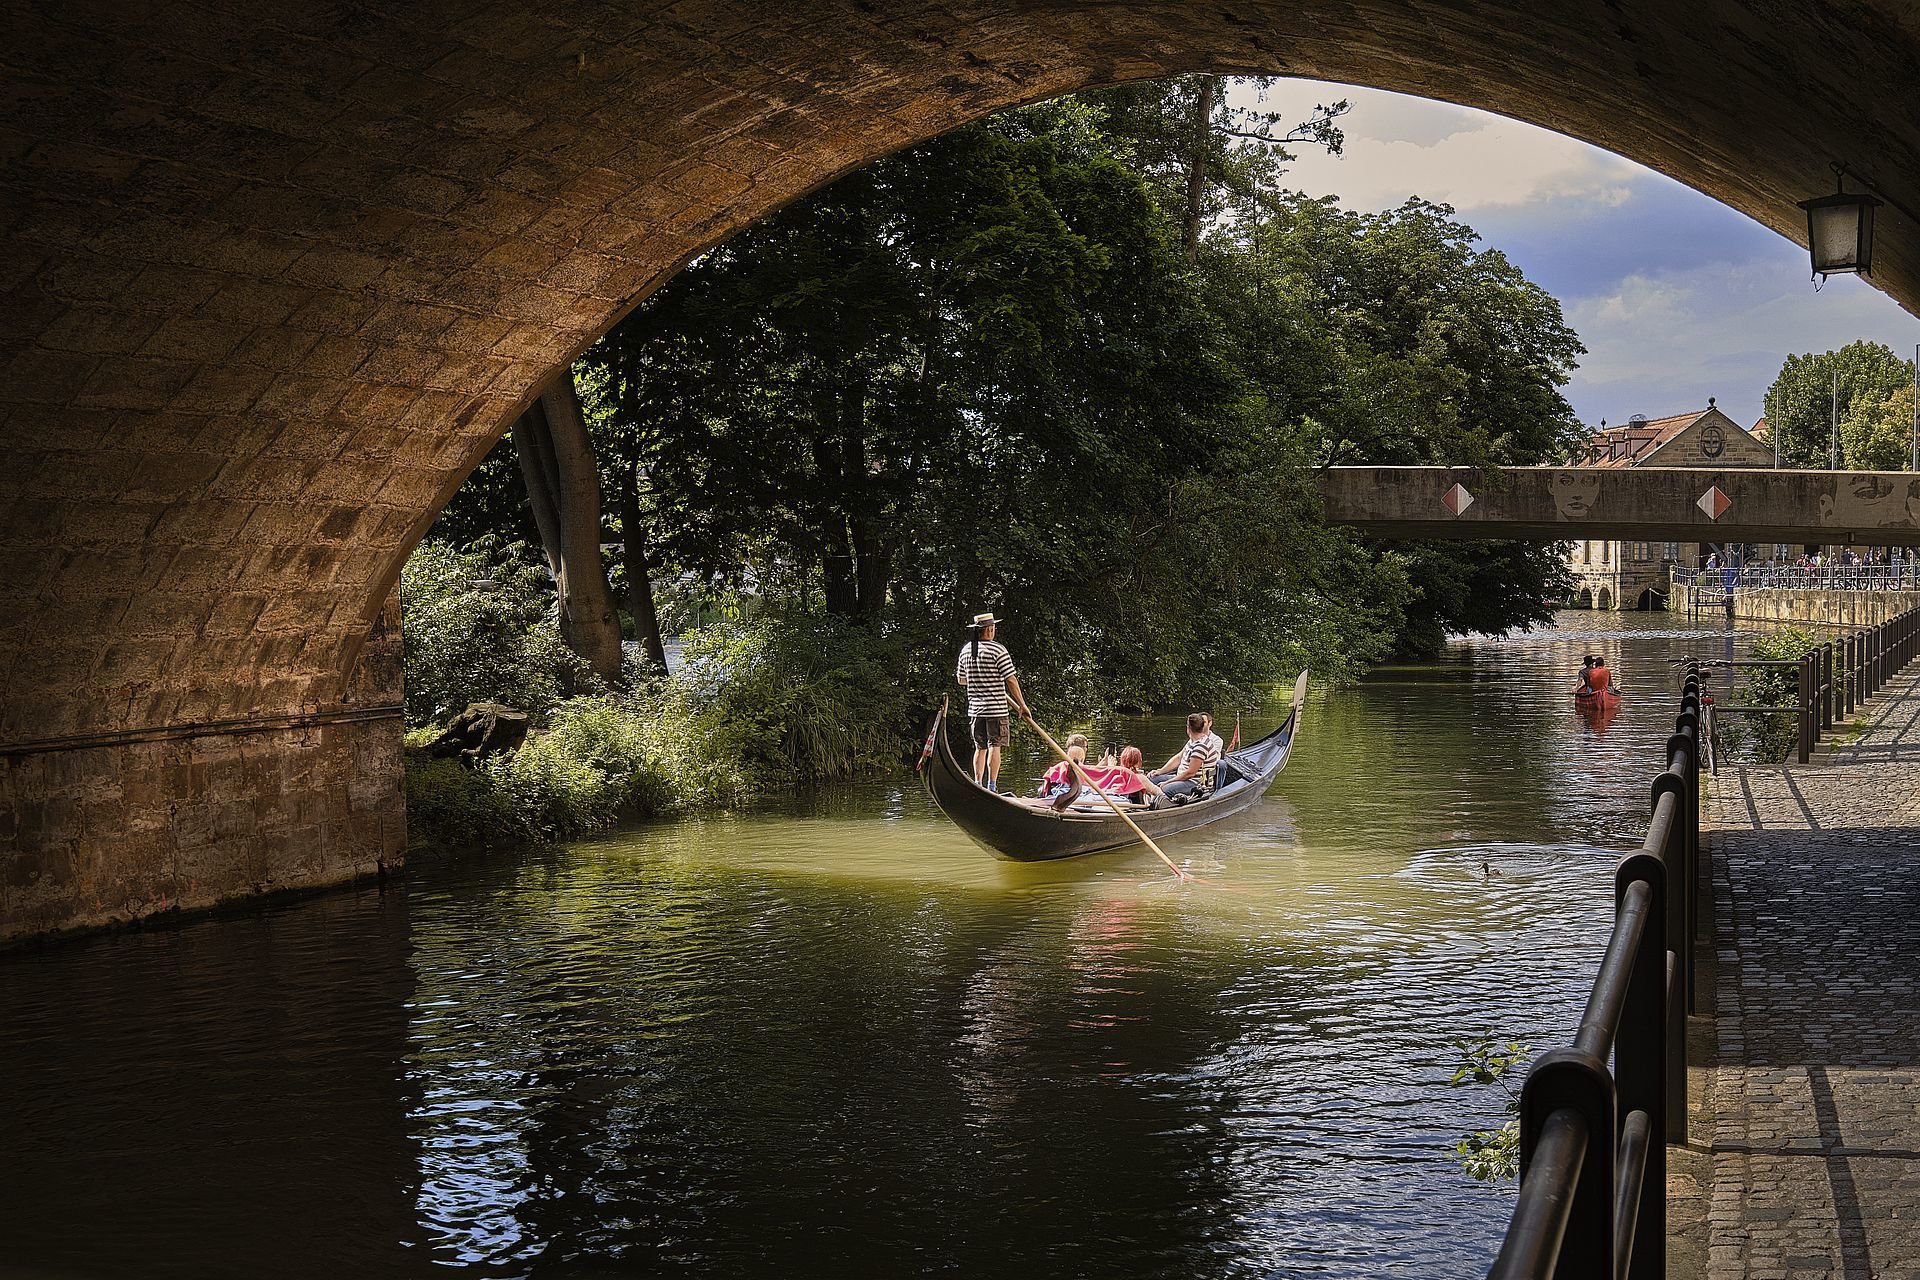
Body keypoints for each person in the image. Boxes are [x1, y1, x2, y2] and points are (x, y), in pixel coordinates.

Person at [955, 612, 1029, 791]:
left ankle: (978, 784)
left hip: (975, 710)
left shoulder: (966, 650)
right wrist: (1022, 705)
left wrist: (978, 678)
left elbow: (961, 680)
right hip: (996, 709)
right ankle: (992, 786)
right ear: (990, 630)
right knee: (995, 746)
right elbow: (1010, 680)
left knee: (980, 748)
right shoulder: (998, 650)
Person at [1151, 712, 1223, 803]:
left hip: (1195, 783)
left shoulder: (1201, 746)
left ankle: (1161, 806)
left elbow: (1190, 773)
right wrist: (1160, 771)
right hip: (1182, 778)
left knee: (1166, 788)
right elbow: (1178, 758)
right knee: (1152, 779)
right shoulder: (1192, 740)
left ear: (1188, 728)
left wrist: (1166, 783)